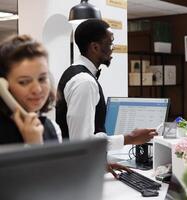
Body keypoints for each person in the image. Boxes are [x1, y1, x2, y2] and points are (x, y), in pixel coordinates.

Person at [55, 19, 157, 177]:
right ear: (95, 47)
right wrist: (129, 138)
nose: (112, 49)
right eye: (110, 43)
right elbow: (82, 142)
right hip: (76, 176)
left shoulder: (74, 72)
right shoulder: (85, 82)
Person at [0, 35, 61, 144]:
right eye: (24, 82)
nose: (37, 90)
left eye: (42, 79)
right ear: (4, 85)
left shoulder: (52, 128)